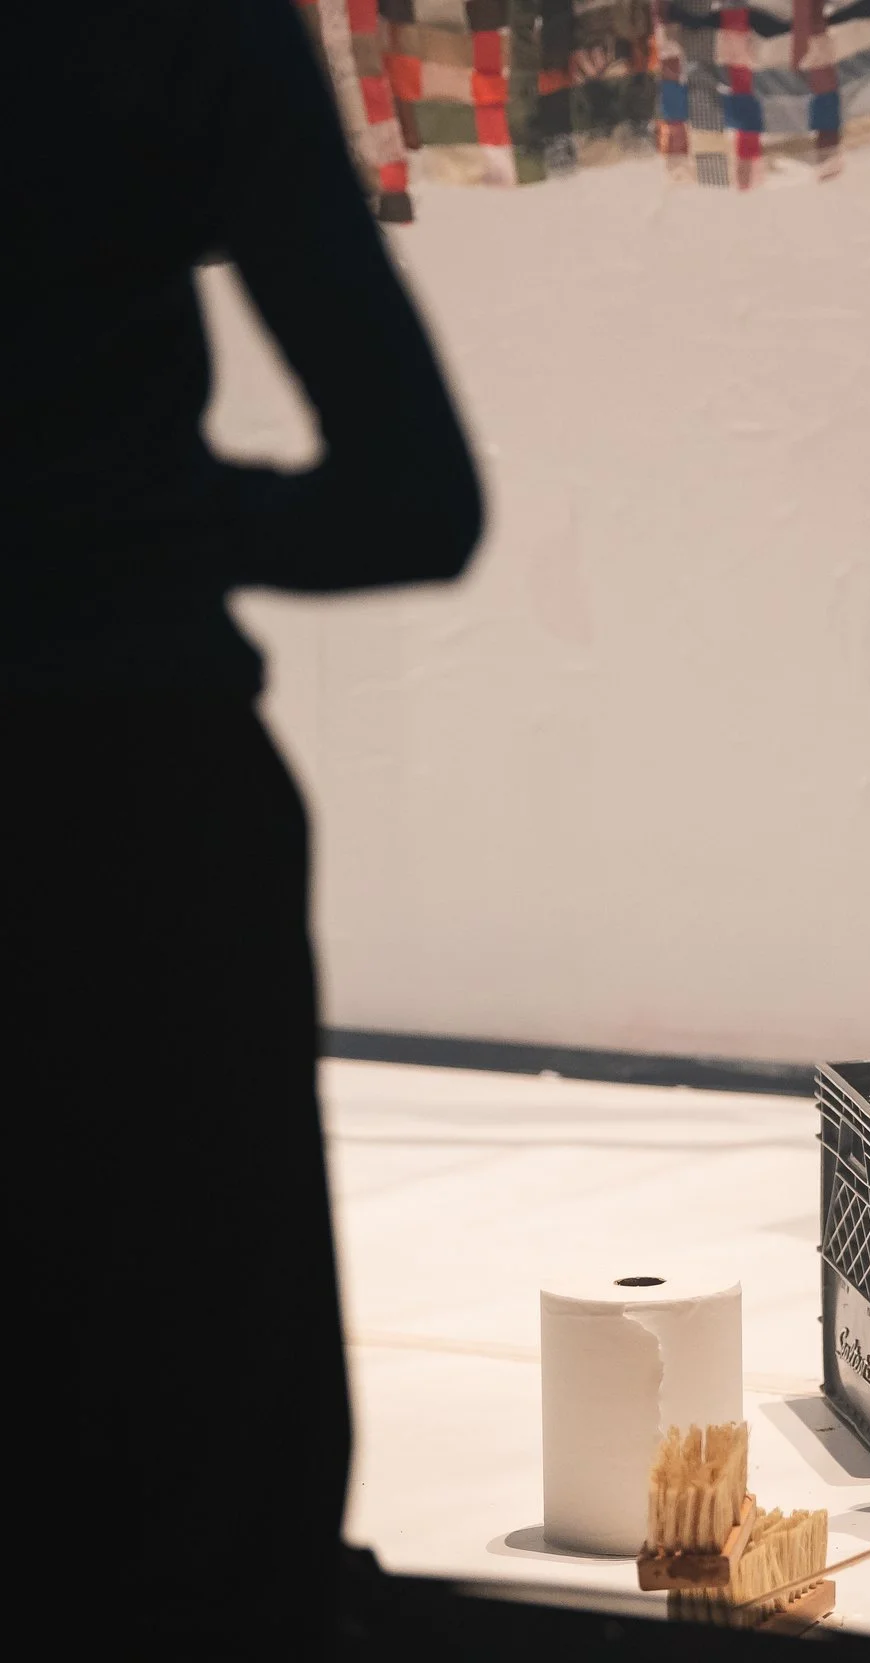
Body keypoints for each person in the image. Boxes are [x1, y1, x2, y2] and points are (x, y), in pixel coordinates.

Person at [7, 2, 481, 1648]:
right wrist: (128, 528)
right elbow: (418, 495)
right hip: (131, 801)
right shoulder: (174, 36)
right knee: (210, 1504)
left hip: (134, 794)